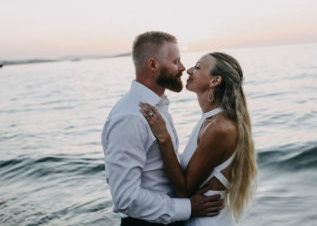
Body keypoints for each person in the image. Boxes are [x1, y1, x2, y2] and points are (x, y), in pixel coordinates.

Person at [101, 31, 223, 226]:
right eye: (176, 62)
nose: (183, 68)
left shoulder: (156, 107)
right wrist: (188, 207)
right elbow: (125, 198)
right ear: (153, 65)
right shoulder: (131, 117)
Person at [140, 52, 258, 225]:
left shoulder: (219, 128)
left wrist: (163, 136)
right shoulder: (210, 120)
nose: (188, 70)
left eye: (197, 67)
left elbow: (184, 190)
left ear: (215, 81)